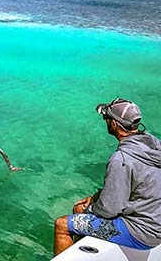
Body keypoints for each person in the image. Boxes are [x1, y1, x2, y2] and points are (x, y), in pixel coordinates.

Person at [54, 98, 161, 256]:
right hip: (156, 220)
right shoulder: (153, 145)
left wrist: (88, 209)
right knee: (82, 211)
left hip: (141, 233)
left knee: (62, 224)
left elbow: (109, 210)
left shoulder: (121, 159)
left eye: (106, 117)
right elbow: (138, 182)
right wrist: (96, 196)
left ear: (115, 124)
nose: (105, 120)